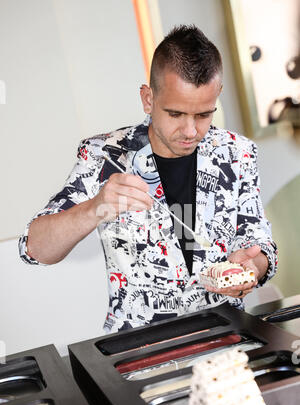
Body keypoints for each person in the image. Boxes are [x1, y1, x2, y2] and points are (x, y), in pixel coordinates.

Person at [19, 25, 278, 333]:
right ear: (148, 98)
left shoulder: (239, 152)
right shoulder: (104, 155)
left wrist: (252, 266)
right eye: (176, 114)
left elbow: (258, 241)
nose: (191, 131)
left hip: (227, 336)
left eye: (203, 115)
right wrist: (95, 207)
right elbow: (33, 249)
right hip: (140, 350)